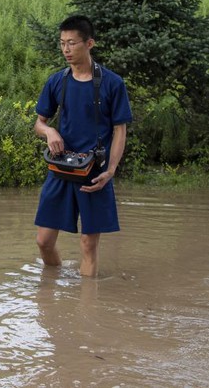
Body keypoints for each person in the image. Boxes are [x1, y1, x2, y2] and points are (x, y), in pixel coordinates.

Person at [33, 15, 132, 278]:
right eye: (62, 43)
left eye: (72, 43)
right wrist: (49, 131)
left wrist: (110, 171)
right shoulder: (57, 81)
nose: (66, 49)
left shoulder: (112, 83)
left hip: (94, 173)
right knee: (43, 242)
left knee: (88, 245)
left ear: (89, 43)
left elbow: (120, 131)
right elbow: (39, 124)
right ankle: (55, 281)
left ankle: (87, 309)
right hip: (60, 170)